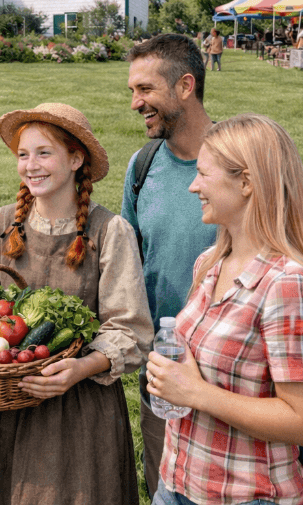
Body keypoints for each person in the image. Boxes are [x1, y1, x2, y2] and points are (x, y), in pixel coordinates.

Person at [0, 103, 153, 505]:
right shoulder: (0, 223)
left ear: (76, 159)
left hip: (72, 404)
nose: (31, 165)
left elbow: (129, 329)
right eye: (23, 155)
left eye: (44, 153)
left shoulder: (109, 231)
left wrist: (81, 367)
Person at [146, 114, 303, 505]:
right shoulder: (209, 264)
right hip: (179, 483)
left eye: (203, 174)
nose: (193, 186)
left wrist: (196, 392)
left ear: (246, 182)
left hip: (248, 495)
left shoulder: (287, 285)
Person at [123, 33, 218, 498]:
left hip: (229, 372)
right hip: (161, 363)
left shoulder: (242, 160)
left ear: (185, 86)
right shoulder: (142, 166)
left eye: (145, 90)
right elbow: (127, 262)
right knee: (167, 486)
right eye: (133, 92)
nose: (136, 102)